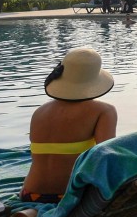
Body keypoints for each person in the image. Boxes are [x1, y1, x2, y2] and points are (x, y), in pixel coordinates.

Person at [21, 48, 117, 203]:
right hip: (70, 197)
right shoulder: (104, 111)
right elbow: (106, 158)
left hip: (30, 194)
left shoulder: (39, 112)